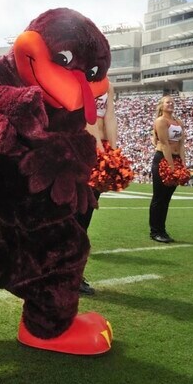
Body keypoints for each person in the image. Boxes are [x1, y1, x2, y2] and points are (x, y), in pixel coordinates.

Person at [76, 81, 117, 295]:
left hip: (99, 152)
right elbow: (87, 116)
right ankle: (63, 273)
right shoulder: (78, 79)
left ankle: (73, 273)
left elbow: (109, 116)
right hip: (81, 149)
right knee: (74, 214)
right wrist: (101, 150)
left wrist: (114, 151)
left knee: (85, 215)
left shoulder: (108, 85)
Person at [149, 95, 186, 243]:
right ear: (161, 106)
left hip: (175, 159)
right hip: (163, 159)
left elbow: (181, 144)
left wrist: (182, 164)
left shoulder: (179, 122)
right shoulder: (161, 121)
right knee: (159, 197)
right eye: (167, 102)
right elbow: (164, 144)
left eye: (172, 102)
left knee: (166, 199)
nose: (170, 104)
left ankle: (162, 229)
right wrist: (171, 167)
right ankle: (155, 231)